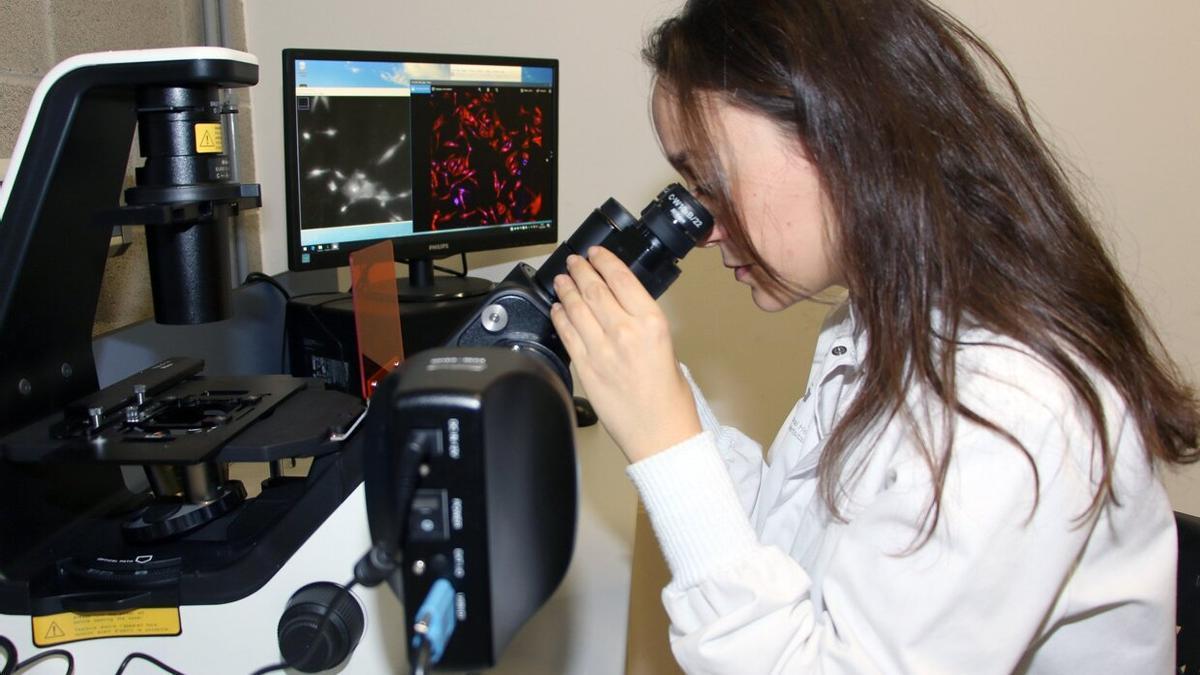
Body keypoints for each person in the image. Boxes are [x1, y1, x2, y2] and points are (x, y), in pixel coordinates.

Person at [546, 0, 1200, 672]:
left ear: (841, 140)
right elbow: (785, 548)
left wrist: (669, 449)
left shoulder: (1013, 403)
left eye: (708, 181)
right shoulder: (882, 321)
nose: (704, 227)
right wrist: (658, 397)